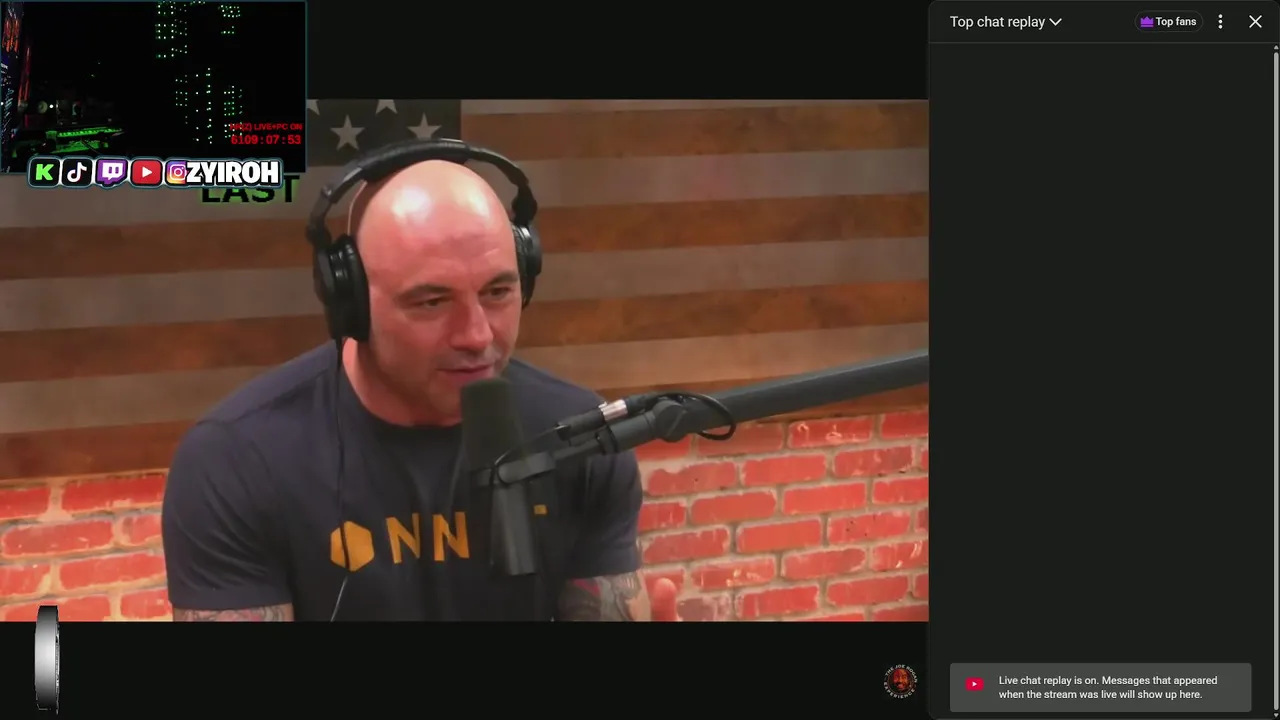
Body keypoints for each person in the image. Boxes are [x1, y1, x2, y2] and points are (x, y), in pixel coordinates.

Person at [161, 158, 678, 621]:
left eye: (498, 291)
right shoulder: (236, 461)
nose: (477, 335)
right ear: (352, 305)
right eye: (432, 302)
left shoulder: (583, 437)